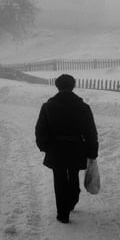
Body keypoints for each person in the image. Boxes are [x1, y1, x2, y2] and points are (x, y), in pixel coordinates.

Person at [34, 74, 98, 223]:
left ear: (57, 86)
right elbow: (90, 131)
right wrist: (92, 151)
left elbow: (40, 129)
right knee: (73, 174)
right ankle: (72, 199)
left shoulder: (48, 106)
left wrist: (44, 146)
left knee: (59, 178)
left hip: (56, 148)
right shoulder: (83, 107)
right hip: (76, 147)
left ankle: (62, 214)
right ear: (73, 86)